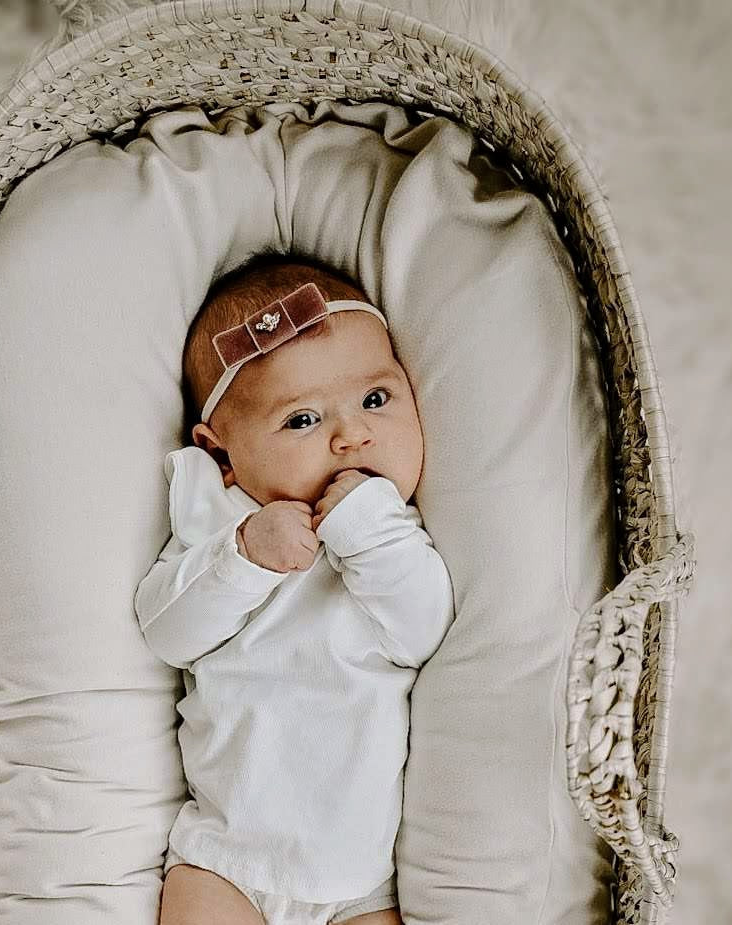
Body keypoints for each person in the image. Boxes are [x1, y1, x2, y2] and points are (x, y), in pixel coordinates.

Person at [134, 253, 455, 925]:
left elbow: (424, 630)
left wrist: (367, 525)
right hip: (225, 858)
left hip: (362, 883)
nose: (352, 434)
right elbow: (166, 631)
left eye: (375, 399)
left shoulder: (393, 531)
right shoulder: (216, 514)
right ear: (223, 455)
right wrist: (242, 556)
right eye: (302, 420)